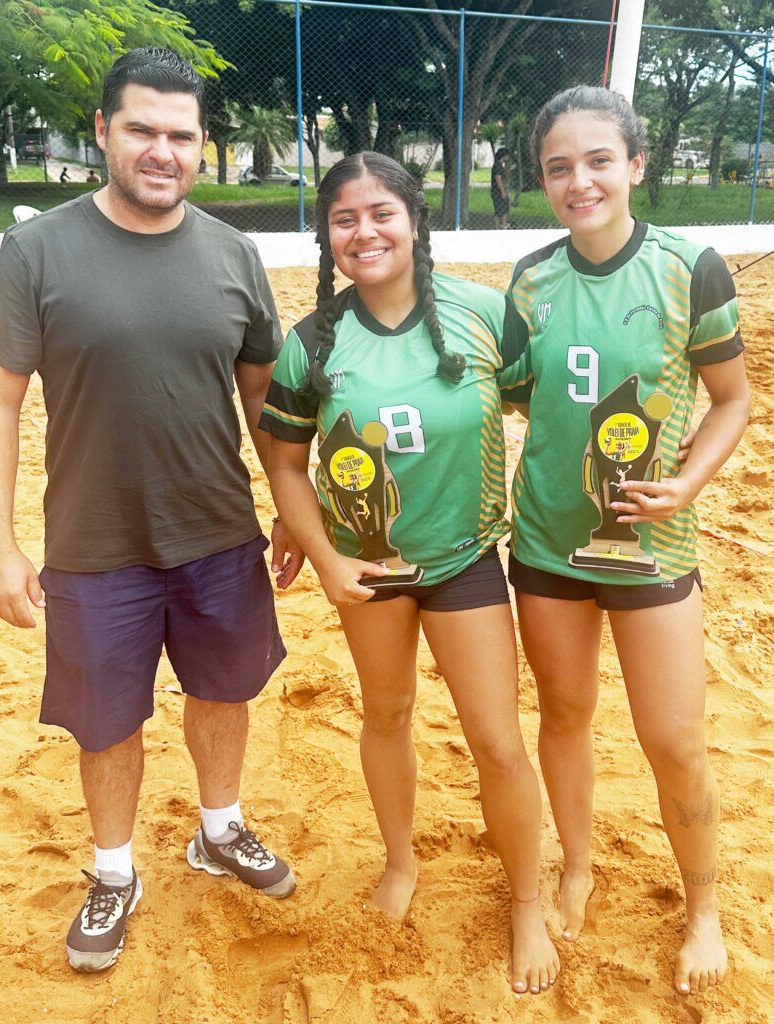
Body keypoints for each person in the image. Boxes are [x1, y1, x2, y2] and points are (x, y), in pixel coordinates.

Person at [0, 47, 303, 974]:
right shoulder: (39, 250)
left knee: (223, 690)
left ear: (203, 148)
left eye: (182, 135)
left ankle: (220, 829)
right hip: (93, 543)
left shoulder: (235, 255)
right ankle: (114, 872)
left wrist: (290, 509)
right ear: (104, 133)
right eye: (142, 130)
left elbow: (263, 396)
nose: (163, 150)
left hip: (219, 534)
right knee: (106, 718)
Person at [261, 152, 560, 996]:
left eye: (382, 213)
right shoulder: (314, 340)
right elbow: (285, 462)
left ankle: (528, 900)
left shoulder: (483, 314)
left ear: (415, 219)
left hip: (465, 560)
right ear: (327, 234)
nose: (365, 232)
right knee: (386, 711)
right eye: (345, 219)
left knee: (497, 740)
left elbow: (552, 412)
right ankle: (401, 861)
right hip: (368, 569)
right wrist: (325, 556)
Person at [499, 85, 749, 996]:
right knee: (562, 716)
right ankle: (575, 864)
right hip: (548, 545)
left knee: (673, 736)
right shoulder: (529, 280)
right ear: (542, 180)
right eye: (559, 167)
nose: (580, 181)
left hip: (652, 547)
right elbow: (519, 397)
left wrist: (686, 482)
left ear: (636, 164)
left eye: (599, 160)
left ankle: (705, 907)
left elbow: (732, 400)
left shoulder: (691, 269)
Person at [491, 147, 511, 229]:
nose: (508, 157)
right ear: (504, 156)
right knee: (500, 211)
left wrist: (509, 170)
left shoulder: (499, 165)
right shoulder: (497, 166)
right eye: (507, 155)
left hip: (499, 191)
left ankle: (503, 226)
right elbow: (498, 179)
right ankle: (499, 227)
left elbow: (503, 176)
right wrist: (502, 191)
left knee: (504, 209)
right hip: (497, 192)